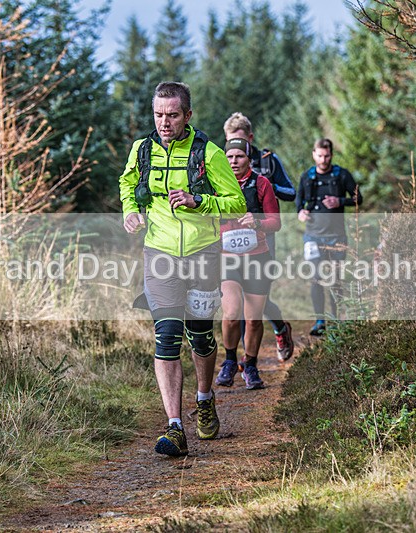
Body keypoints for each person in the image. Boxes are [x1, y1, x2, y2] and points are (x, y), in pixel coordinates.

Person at [119, 82, 246, 457]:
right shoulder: (142, 150)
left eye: (172, 115)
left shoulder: (209, 154)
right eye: (159, 114)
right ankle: (174, 427)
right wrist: (131, 209)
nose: (164, 122)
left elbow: (237, 203)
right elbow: (128, 182)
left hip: (203, 254)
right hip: (159, 254)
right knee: (167, 336)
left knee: (201, 337)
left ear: (187, 115)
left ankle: (204, 398)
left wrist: (198, 201)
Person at [222, 112, 295, 362]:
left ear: (250, 138)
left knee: (257, 297)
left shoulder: (268, 160)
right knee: (237, 299)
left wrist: (264, 187)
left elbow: (291, 192)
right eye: (230, 142)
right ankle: (245, 359)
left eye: (241, 141)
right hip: (231, 240)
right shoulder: (224, 165)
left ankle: (279, 329)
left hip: (263, 234)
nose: (235, 151)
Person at [216, 137, 281, 389]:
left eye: (239, 156)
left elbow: (275, 222)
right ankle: (229, 361)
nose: (234, 161)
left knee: (253, 319)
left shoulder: (262, 183)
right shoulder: (216, 183)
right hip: (227, 258)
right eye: (229, 156)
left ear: (248, 159)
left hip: (257, 257)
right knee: (232, 313)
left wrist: (257, 223)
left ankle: (251, 365)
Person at [295, 138, 362, 336]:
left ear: (331, 155)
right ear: (314, 154)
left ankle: (337, 319)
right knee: (316, 278)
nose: (323, 160)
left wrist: (340, 201)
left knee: (335, 279)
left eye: (327, 156)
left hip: (336, 237)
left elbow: (358, 198)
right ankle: (319, 321)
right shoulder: (306, 176)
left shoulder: (342, 175)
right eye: (320, 155)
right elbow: (298, 202)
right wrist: (300, 212)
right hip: (313, 236)